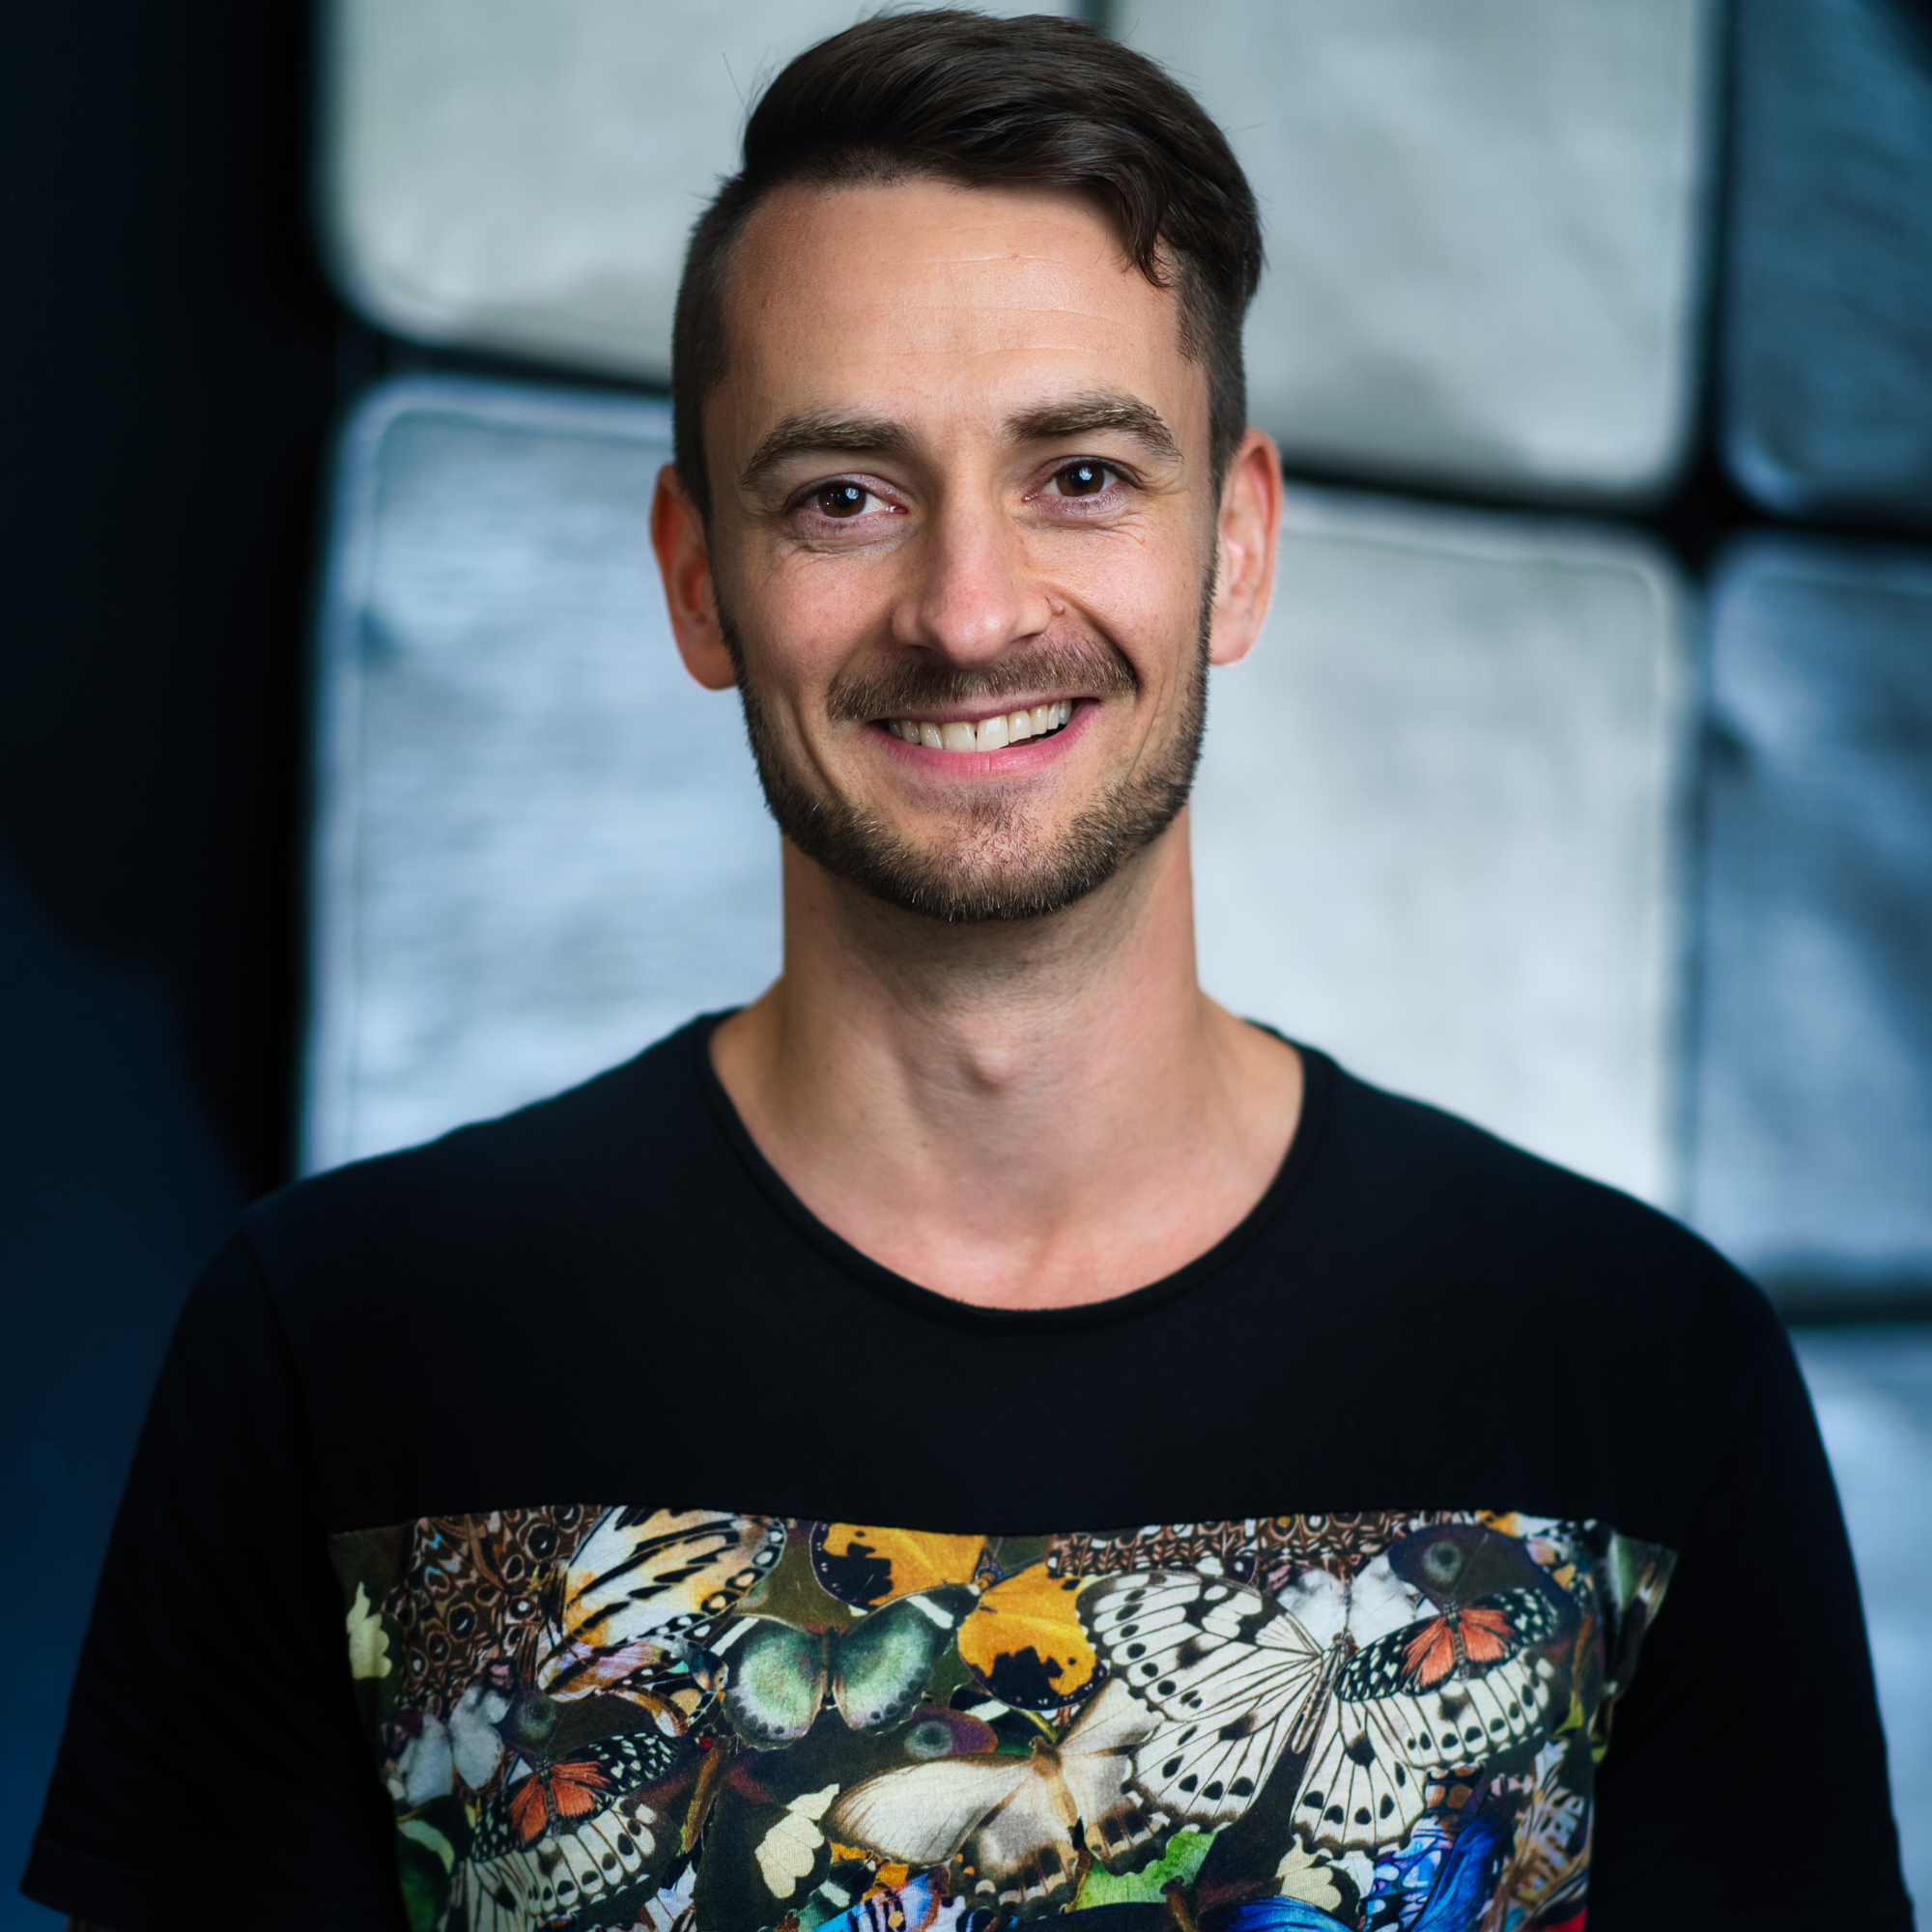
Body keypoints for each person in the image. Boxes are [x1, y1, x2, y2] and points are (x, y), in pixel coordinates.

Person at [23, 13, 1911, 1932]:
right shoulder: (344, 1346)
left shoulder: (1638, 1376)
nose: (971, 611)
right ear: (697, 576)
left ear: (1237, 546)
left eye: (1080, 473)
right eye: (843, 494)